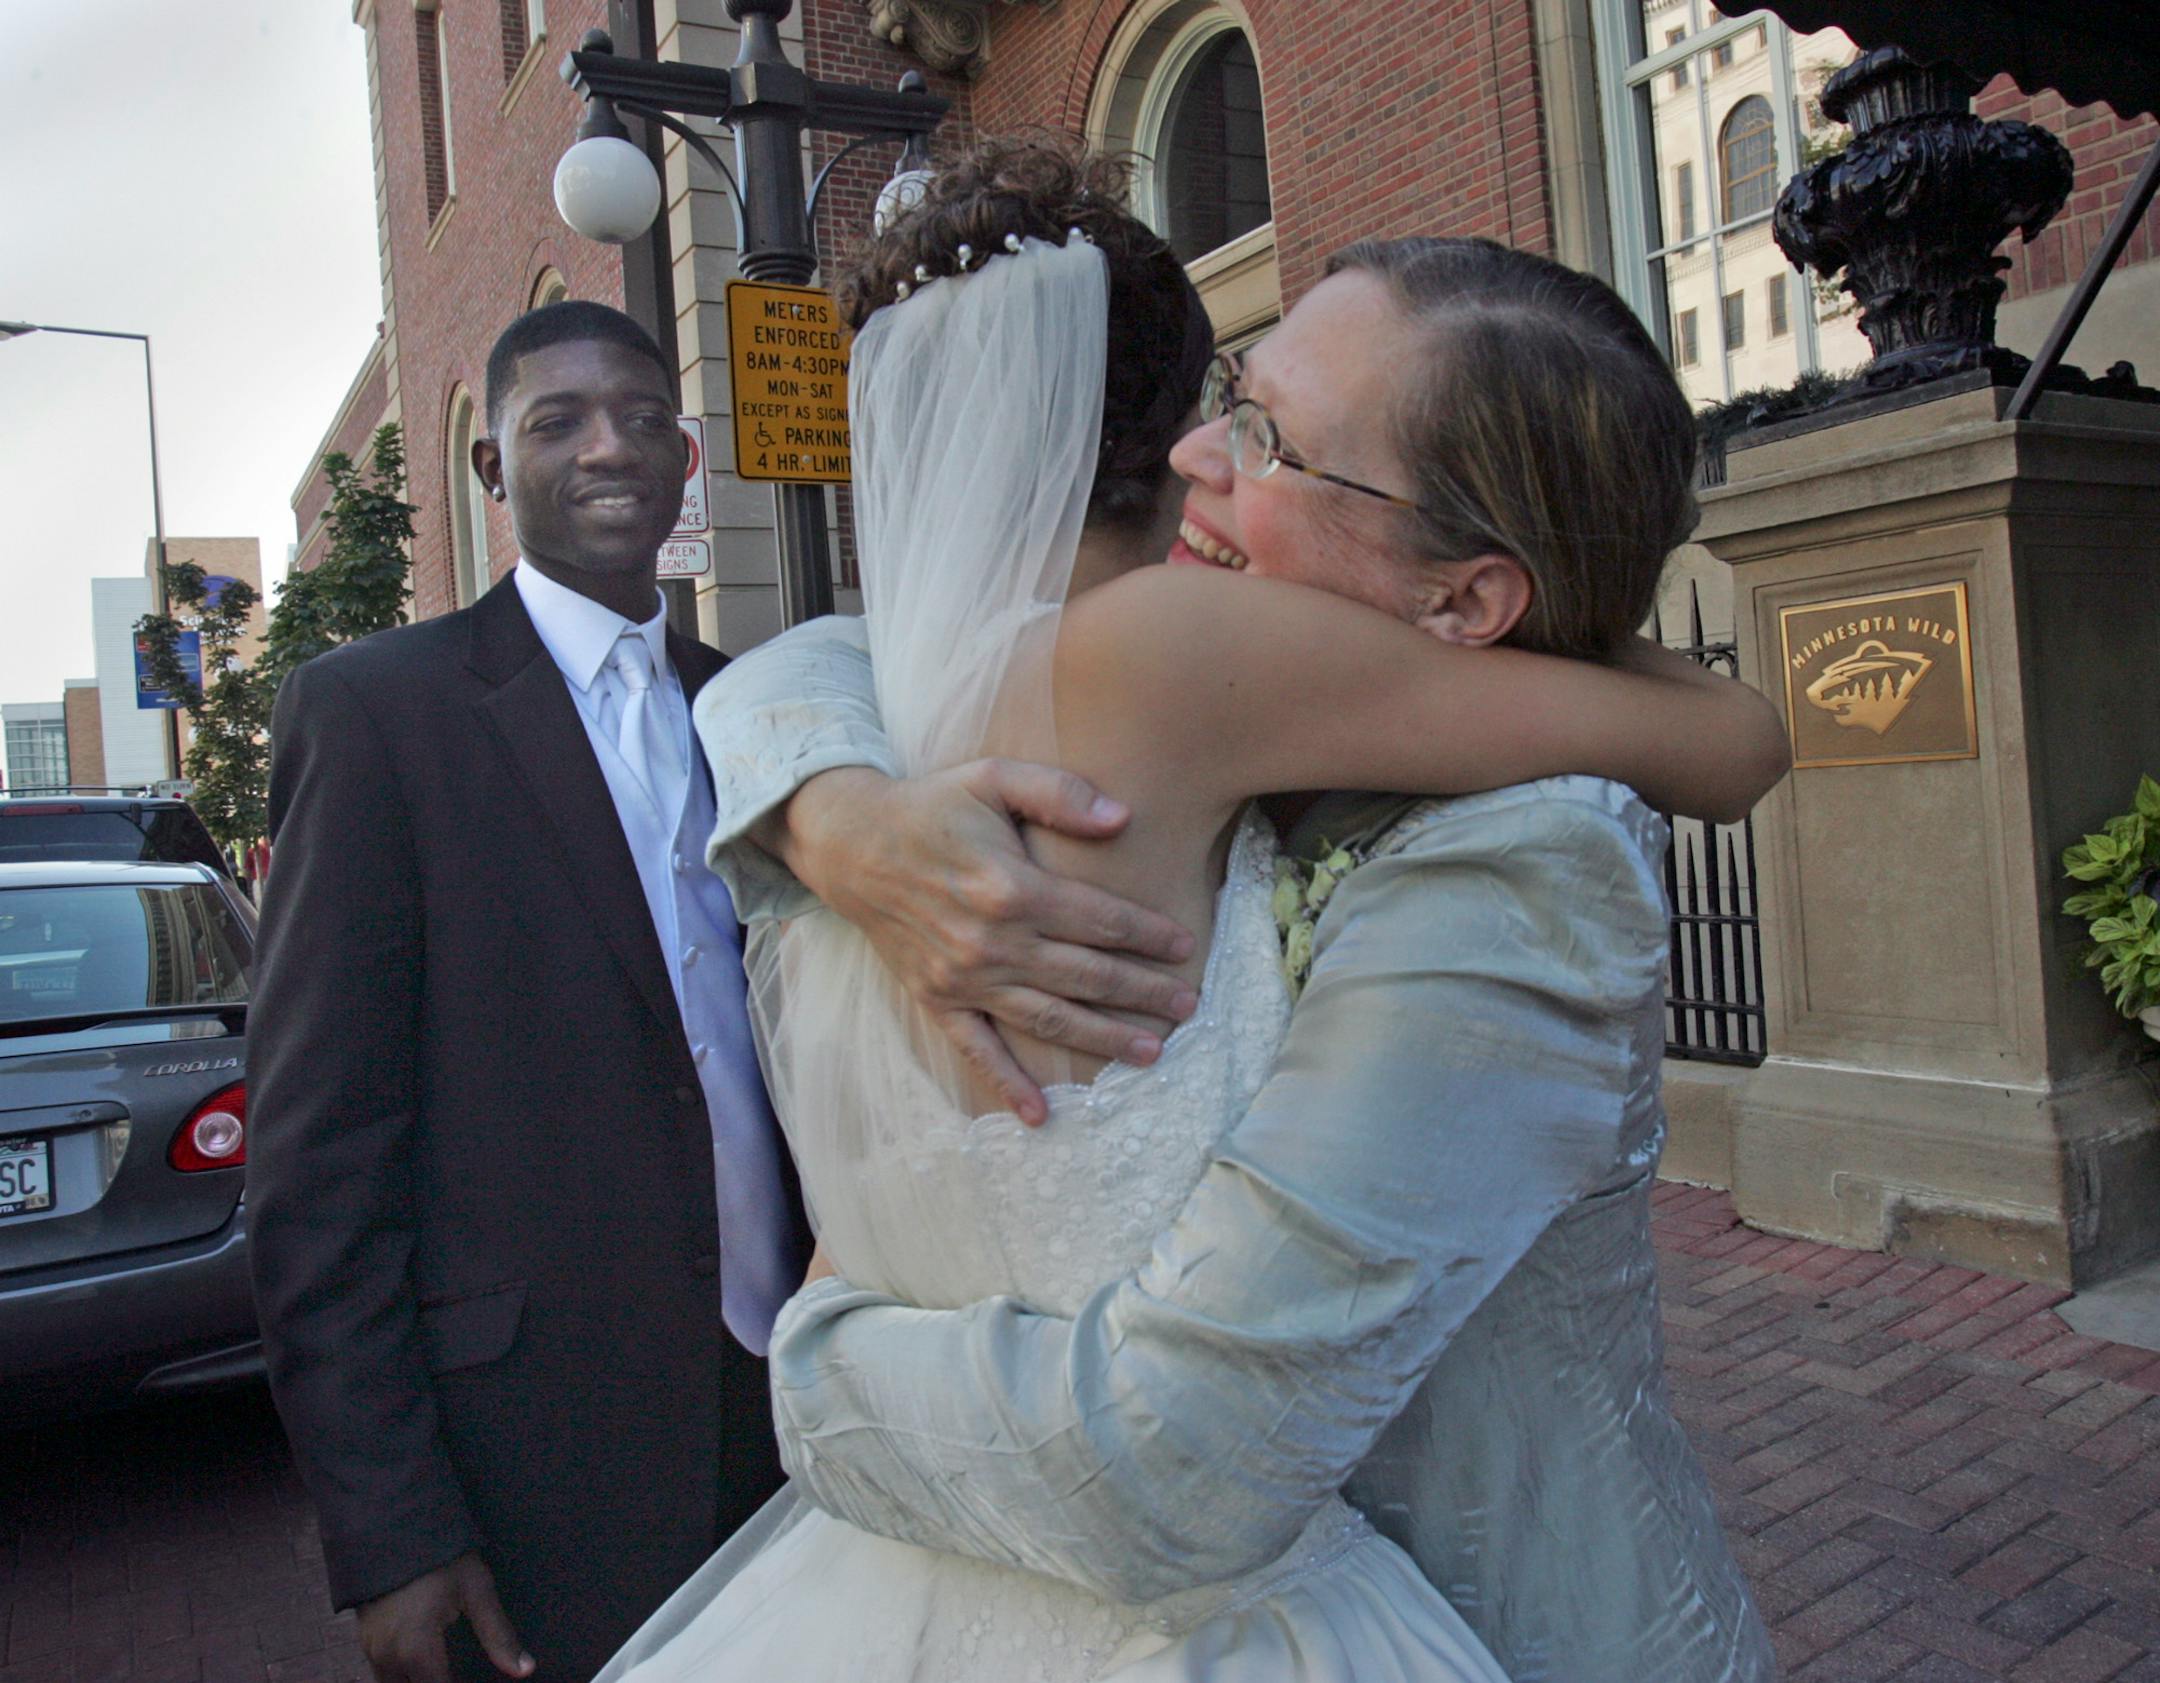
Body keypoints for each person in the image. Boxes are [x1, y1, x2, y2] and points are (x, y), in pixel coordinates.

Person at [602, 143, 1783, 1681]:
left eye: (1277, 442)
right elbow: (815, 664)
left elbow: (1176, 1469)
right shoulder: (1031, 708)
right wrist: (833, 809)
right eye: (1231, 402)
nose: (1201, 465)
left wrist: (819, 1374)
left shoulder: (1524, 854)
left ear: (1466, 602)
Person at [247, 302, 816, 1683]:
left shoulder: (749, 703)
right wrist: (389, 1529)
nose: (605, 447)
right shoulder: (378, 713)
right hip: (539, 1440)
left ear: (687, 458)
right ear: (496, 472)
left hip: (790, 1388)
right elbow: (319, 1152)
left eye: (638, 416)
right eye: (555, 422)